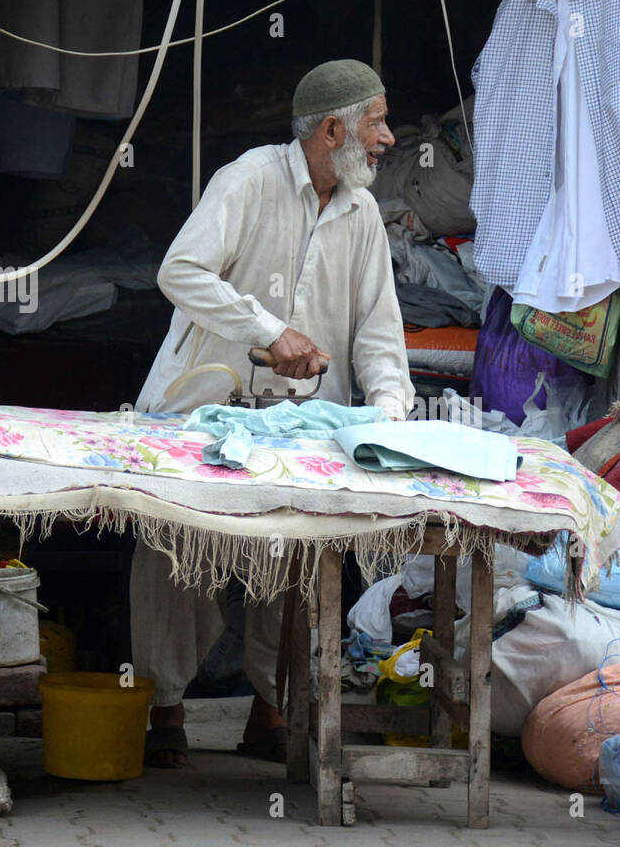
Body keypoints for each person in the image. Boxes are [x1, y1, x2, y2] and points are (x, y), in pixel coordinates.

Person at [131, 60, 414, 767]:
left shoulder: (362, 213)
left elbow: (378, 334)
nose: (386, 137)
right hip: (203, 410)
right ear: (331, 129)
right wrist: (266, 330)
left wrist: (388, 410)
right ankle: (164, 708)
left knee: (291, 565)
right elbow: (180, 272)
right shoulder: (249, 179)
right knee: (177, 553)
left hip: (301, 423)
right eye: (376, 121)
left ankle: (271, 709)